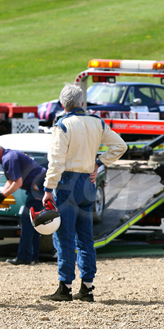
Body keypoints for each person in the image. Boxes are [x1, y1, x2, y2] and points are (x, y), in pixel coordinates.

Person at [41, 84, 127, 303]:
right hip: (88, 183)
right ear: (81, 102)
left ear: (63, 104)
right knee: (86, 239)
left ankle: (65, 287)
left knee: (65, 238)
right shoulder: (97, 123)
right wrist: (99, 162)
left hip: (66, 184)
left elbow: (56, 161)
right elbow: (120, 146)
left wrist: (49, 188)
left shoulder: (63, 125)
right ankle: (87, 288)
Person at [0, 141, 47, 265]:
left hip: (37, 186)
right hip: (37, 186)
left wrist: (3, 195)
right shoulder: (8, 157)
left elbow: (18, 182)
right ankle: (33, 256)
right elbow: (10, 181)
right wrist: (0, 195)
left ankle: (24, 257)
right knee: (33, 220)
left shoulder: (9, 158)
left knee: (27, 218)